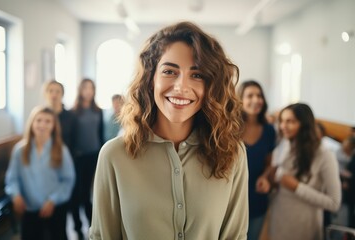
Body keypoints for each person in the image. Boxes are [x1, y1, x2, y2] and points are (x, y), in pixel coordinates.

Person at [89, 21, 248, 240]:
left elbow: (236, 236)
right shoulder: (115, 155)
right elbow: (102, 236)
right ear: (150, 79)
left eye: (197, 74)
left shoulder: (232, 154)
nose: (181, 87)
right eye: (170, 71)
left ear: (211, 85)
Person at [269, 103, 341, 240]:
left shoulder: (324, 155)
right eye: (282, 121)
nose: (283, 126)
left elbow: (334, 203)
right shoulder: (284, 145)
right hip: (278, 222)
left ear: (304, 124)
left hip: (304, 228)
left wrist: (297, 187)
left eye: (290, 121)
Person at [5, 106, 75, 240]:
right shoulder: (20, 150)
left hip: (54, 208)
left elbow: (68, 180)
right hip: (29, 209)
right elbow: (12, 179)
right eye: (39, 120)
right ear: (32, 123)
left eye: (48, 121)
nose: (42, 125)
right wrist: (16, 195)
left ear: (54, 125)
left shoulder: (61, 150)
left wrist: (52, 200)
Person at [237, 80, 276, 240]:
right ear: (240, 100)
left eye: (259, 95)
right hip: (233, 198)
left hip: (257, 197)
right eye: (250, 95)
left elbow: (269, 163)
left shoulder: (269, 130)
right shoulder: (231, 127)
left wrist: (265, 177)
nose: (256, 100)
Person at [71, 78, 104, 240]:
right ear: (80, 90)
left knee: (91, 193)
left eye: (91, 88)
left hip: (94, 156)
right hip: (78, 158)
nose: (88, 91)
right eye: (85, 88)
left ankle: (93, 227)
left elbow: (100, 134)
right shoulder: (74, 112)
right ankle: (77, 228)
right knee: (78, 194)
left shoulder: (98, 111)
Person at [43, 80, 77, 156]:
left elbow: (74, 142)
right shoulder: (40, 117)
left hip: (66, 156)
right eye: (50, 91)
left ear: (62, 94)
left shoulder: (71, 117)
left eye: (58, 91)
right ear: (45, 94)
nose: (54, 94)